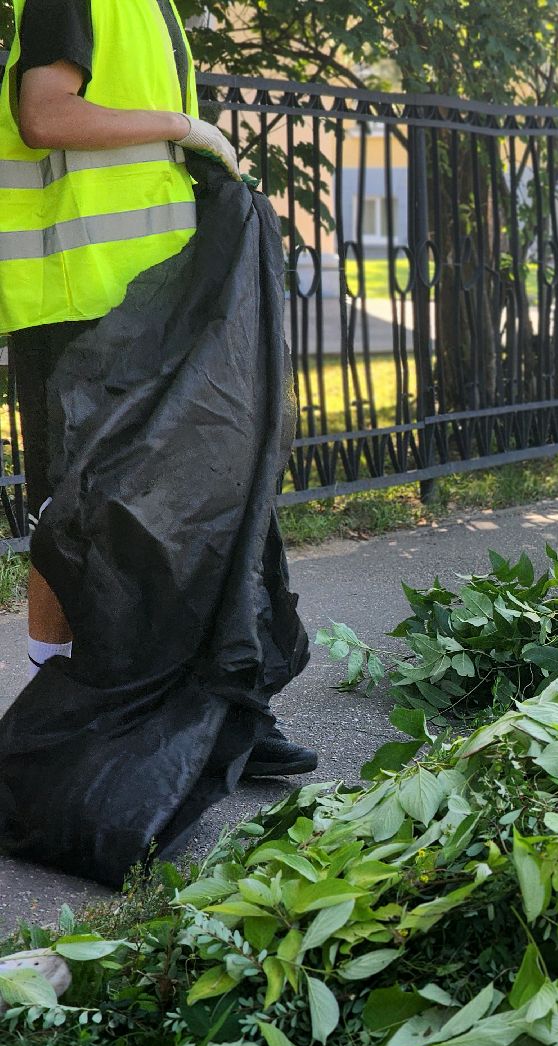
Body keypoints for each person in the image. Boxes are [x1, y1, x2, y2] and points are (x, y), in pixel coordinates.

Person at [0, 0, 315, 776]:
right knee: (71, 517)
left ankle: (222, 711)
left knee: (194, 500)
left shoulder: (153, 7)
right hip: (79, 306)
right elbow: (45, 115)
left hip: (154, 296)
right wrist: (180, 126)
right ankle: (60, 719)